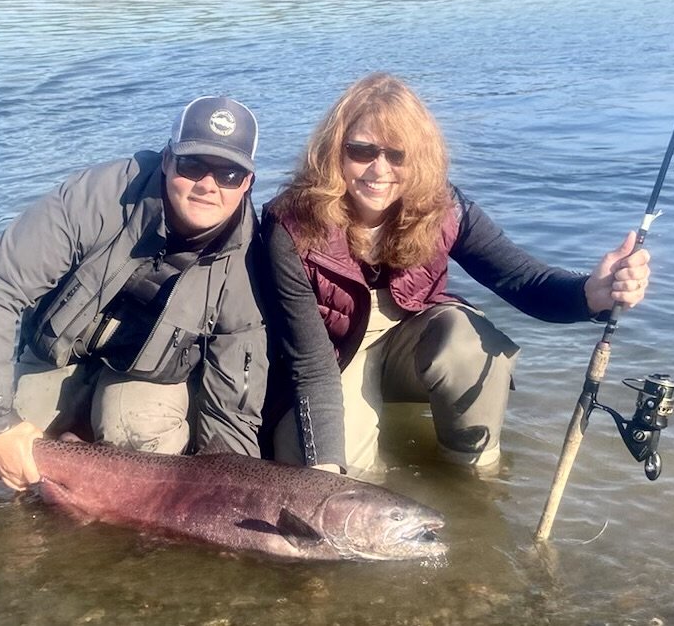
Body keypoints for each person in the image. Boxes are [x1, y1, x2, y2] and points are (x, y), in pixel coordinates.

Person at [263, 73, 651, 474]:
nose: (379, 169)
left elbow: (521, 279)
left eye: (398, 154)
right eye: (361, 151)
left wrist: (591, 293)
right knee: (339, 476)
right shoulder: (290, 225)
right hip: (331, 356)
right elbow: (309, 363)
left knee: (468, 340)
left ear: (419, 158)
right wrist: (325, 467)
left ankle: (474, 470)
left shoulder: (445, 208)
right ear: (334, 152)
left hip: (409, 340)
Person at [0, 96, 268, 490]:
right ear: (168, 159)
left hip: (148, 380)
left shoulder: (249, 260)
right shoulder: (95, 197)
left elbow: (233, 400)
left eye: (229, 175)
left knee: (142, 435)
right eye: (193, 166)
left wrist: (231, 495)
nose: (208, 185)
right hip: (57, 357)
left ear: (248, 184)